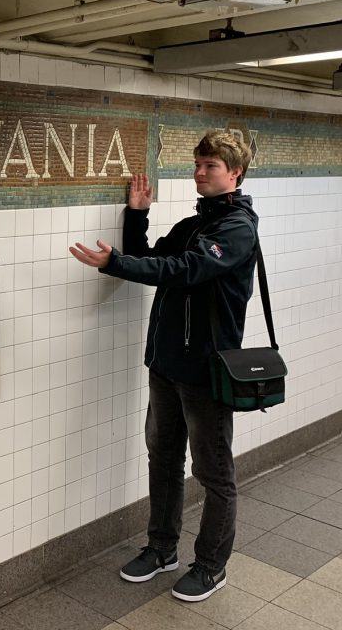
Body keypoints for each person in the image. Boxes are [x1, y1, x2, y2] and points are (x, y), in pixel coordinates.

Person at [68, 130, 257, 602]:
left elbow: (184, 270)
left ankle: (211, 566)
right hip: (166, 364)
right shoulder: (194, 225)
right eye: (197, 164)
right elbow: (149, 258)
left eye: (210, 166)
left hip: (207, 372)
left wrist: (114, 264)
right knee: (164, 459)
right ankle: (161, 548)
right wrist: (137, 215)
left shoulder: (236, 229)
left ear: (235, 173)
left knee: (214, 473)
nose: (199, 173)